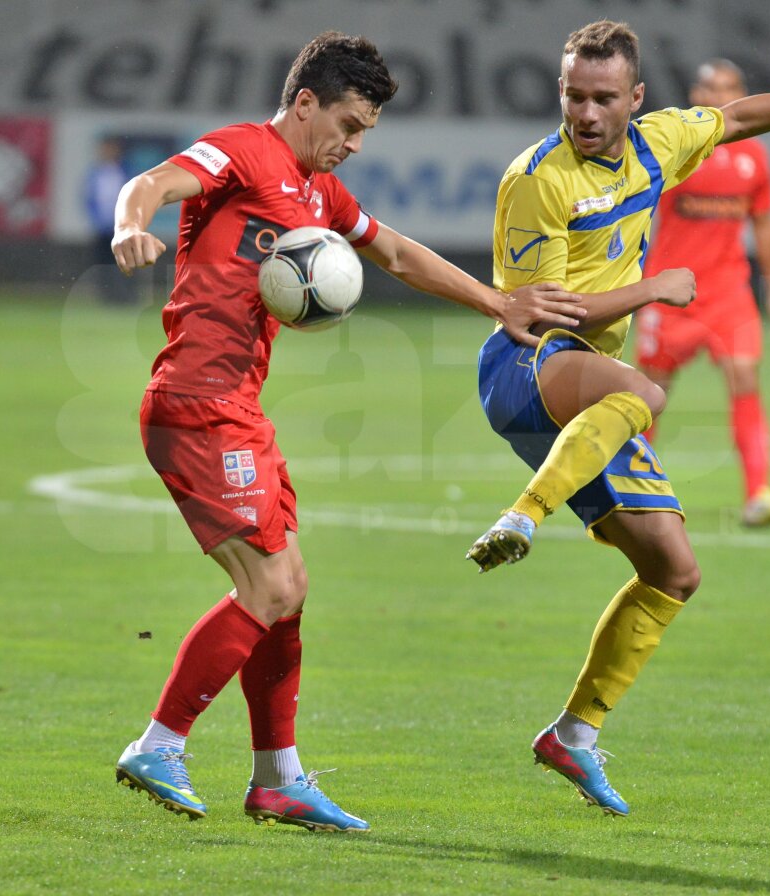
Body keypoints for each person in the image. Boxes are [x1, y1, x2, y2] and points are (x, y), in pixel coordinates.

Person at [109, 31, 582, 833]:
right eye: (350, 125)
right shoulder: (245, 152)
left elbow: (394, 251)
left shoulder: (319, 194)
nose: (356, 145)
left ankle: (278, 780)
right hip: (196, 402)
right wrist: (129, 224)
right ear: (304, 103)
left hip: (235, 406)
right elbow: (152, 183)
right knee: (271, 587)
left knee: (286, 596)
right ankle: (159, 742)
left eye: (366, 131)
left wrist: (499, 304)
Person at [466, 20, 770, 816]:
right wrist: (652, 287)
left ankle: (574, 734)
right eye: (572, 95)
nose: (586, 113)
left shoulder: (662, 140)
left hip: (586, 393)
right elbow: (542, 314)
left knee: (674, 570)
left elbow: (742, 117)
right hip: (525, 365)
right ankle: (521, 518)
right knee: (647, 393)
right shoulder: (536, 179)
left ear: (636, 99)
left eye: (602, 98)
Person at [635, 59, 770, 527]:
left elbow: (764, 228)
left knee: (744, 378)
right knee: (647, 394)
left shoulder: (753, 157)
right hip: (672, 293)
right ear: (695, 94)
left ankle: (758, 494)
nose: (719, 96)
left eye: (730, 88)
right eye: (711, 87)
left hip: (729, 293)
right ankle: (629, 494)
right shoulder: (674, 151)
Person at [83, 137, 137, 305]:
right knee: (104, 262)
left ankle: (127, 296)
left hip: (123, 226)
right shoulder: (95, 173)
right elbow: (88, 199)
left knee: (126, 260)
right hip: (103, 227)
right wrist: (97, 219)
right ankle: (106, 296)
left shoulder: (125, 171)